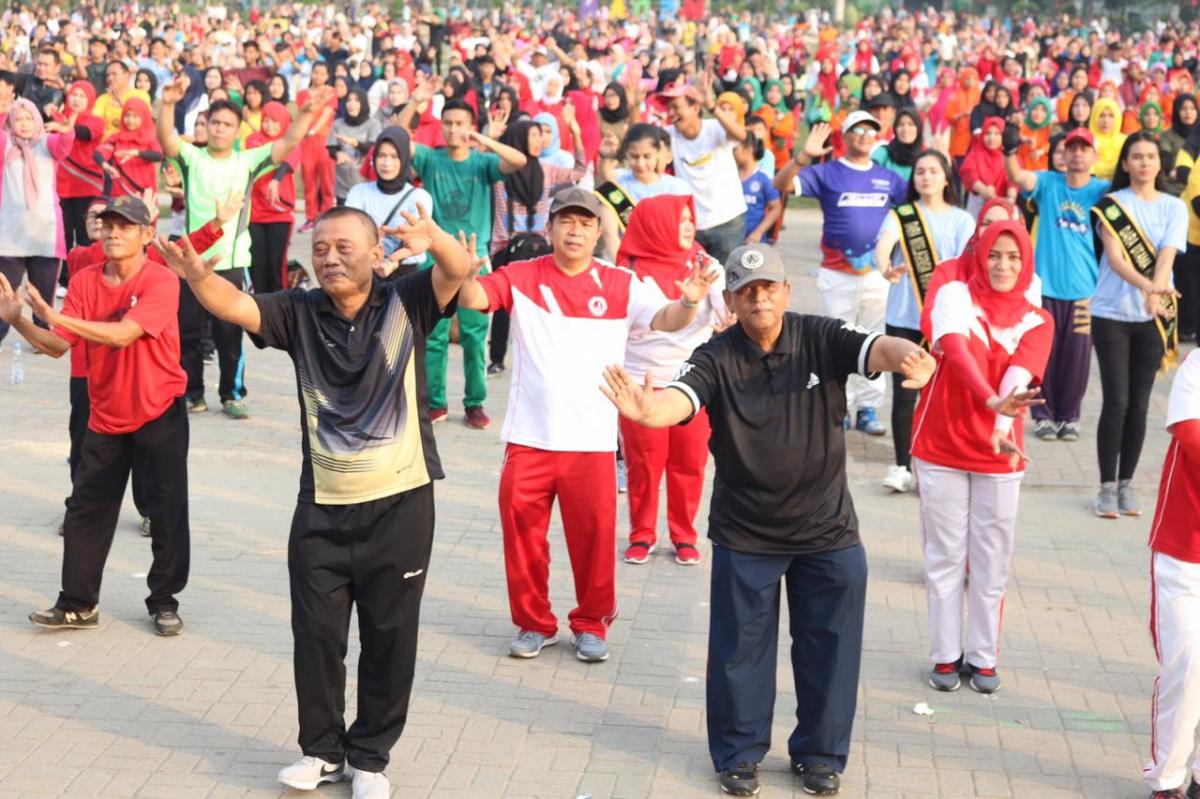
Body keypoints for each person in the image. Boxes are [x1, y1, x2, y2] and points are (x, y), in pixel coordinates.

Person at [151, 203, 471, 799]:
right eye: (320, 248)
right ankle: (321, 752)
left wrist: (436, 239)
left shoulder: (406, 302)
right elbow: (236, 304)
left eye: (345, 247)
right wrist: (195, 274)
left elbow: (458, 270)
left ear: (377, 255)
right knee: (317, 635)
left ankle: (370, 758)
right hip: (322, 508)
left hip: (401, 504)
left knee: (389, 634)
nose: (329, 257)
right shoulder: (298, 312)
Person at [599, 242, 935, 798]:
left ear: (786, 291)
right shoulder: (715, 355)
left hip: (827, 530)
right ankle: (737, 754)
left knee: (831, 645)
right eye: (747, 290)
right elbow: (678, 401)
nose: (759, 299)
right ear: (729, 299)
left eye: (768, 288)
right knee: (739, 652)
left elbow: (878, 348)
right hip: (747, 532)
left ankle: (821, 755)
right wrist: (645, 412)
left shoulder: (819, 336)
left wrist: (910, 356)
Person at [451, 187, 717, 664]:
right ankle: (534, 624)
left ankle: (592, 624)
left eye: (586, 223)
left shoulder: (620, 283)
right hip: (529, 438)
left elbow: (666, 319)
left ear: (599, 231)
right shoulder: (521, 275)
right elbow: (474, 298)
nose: (575, 230)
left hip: (592, 442)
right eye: (565, 221)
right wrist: (462, 273)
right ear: (549, 228)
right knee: (523, 538)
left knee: (593, 542)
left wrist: (691, 301)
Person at [0, 195, 190, 637]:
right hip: (106, 414)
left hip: (159, 408)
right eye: (107, 225)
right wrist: (23, 321)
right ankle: (78, 603)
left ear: (147, 235)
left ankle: (164, 601)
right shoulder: (85, 281)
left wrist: (55, 317)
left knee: (166, 511)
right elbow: (58, 345)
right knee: (86, 509)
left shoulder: (162, 281)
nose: (113, 233)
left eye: (125, 226)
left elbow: (124, 335)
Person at [912, 220, 1053, 695]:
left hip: (1000, 452)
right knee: (945, 555)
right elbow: (954, 350)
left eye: (1013, 257)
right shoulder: (955, 294)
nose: (1003, 265)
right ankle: (946, 656)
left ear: (1026, 263)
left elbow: (1020, 375)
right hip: (941, 444)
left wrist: (998, 422)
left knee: (991, 561)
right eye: (995, 254)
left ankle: (984, 657)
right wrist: (990, 401)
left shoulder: (1039, 320)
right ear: (979, 254)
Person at [157, 80, 335, 419]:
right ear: (206, 126)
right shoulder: (192, 158)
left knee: (229, 334)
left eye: (227, 125)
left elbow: (288, 142)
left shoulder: (247, 161)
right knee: (188, 332)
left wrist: (307, 112)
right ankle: (191, 392)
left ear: (237, 130)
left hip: (232, 261)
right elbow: (167, 140)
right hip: (189, 261)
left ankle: (232, 394)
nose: (220, 130)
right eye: (215, 123)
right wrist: (167, 105)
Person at [773, 112, 907, 436]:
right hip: (836, 274)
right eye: (856, 130)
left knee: (874, 338)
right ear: (844, 137)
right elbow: (779, 185)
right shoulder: (827, 172)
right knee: (837, 339)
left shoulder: (888, 179)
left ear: (877, 137)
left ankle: (868, 408)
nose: (863, 135)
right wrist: (804, 156)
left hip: (877, 276)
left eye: (870, 131)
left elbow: (910, 215)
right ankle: (839, 406)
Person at [400, 93, 529, 430]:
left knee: (474, 337)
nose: (454, 130)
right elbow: (399, 137)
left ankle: (475, 403)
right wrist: (415, 102)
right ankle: (436, 403)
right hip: (436, 258)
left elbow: (519, 160)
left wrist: (484, 140)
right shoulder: (431, 160)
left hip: (476, 259)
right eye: (448, 123)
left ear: (470, 127)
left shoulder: (482, 163)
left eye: (460, 124)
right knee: (435, 334)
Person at [615, 194, 728, 566]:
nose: (687, 226)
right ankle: (641, 534)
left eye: (689, 219)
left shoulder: (706, 266)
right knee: (643, 463)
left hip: (692, 383)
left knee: (689, 462)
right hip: (639, 385)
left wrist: (729, 321)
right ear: (654, 223)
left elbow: (727, 314)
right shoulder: (625, 269)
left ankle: (684, 535)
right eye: (677, 219)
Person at [1090, 132, 1189, 518]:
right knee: (1116, 401)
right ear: (1126, 163)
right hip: (1111, 314)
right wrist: (1150, 287)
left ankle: (1127, 483)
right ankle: (1105, 486)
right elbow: (1115, 259)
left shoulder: (1174, 207)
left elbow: (1166, 255)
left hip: (1155, 315)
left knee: (1140, 404)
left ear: (1160, 164)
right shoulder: (1111, 206)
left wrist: (1156, 290)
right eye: (1137, 156)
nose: (1145, 163)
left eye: (1151, 156)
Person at [873, 150, 974, 493]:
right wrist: (885, 266)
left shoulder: (963, 220)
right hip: (903, 317)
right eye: (920, 171)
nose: (926, 177)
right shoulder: (902, 215)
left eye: (933, 171)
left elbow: (966, 266)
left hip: (944, 320)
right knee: (904, 394)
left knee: (943, 394)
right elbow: (884, 245)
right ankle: (902, 465)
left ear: (947, 177)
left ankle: (936, 462)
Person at [1004, 126, 1109, 441]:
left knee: (1077, 358)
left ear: (1094, 155)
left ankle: (1069, 416)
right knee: (1043, 356)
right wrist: (1010, 151)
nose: (1077, 153)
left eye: (1083, 148)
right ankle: (1043, 415)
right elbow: (1020, 178)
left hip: (1084, 292)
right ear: (1062, 152)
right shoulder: (1049, 183)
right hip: (1044, 289)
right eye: (1072, 147)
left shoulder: (1103, 190)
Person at [1141, 349, 1200, 799]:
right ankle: (1167, 779)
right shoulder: (1197, 366)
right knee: (1186, 667)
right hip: (1185, 546)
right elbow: (1189, 432)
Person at [486, 116, 586, 375]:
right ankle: (498, 357)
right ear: (518, 139)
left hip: (536, 249)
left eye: (541, 135)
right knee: (503, 306)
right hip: (506, 249)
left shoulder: (547, 169)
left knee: (539, 308)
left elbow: (579, 171)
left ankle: (525, 358)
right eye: (532, 136)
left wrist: (575, 133)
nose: (540, 140)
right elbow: (476, 165)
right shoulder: (498, 172)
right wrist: (490, 136)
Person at [0, 98, 75, 346]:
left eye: (28, 118)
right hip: (10, 234)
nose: (23, 124)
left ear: (37, 121)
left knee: (42, 295)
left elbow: (64, 145)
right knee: (4, 293)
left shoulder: (47, 142)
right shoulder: (5, 143)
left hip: (44, 233)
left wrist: (67, 129)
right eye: (18, 119)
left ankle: (43, 339)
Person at [661, 83, 748, 264]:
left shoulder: (715, 127)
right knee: (696, 282)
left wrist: (712, 106)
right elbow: (640, 140)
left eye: (676, 107)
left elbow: (741, 136)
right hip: (693, 224)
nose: (671, 113)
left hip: (728, 221)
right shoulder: (669, 135)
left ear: (695, 107)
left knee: (726, 283)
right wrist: (635, 107)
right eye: (668, 109)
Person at [346, 126, 433, 279]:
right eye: (381, 155)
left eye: (394, 156)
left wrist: (393, 263)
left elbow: (415, 239)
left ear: (405, 158)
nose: (386, 163)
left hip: (406, 275)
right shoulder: (359, 192)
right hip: (366, 272)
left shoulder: (420, 197)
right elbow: (350, 231)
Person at [247, 102, 300, 296]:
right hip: (255, 214)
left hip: (279, 214)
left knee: (275, 263)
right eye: (266, 120)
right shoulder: (252, 140)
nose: (269, 125)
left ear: (284, 122)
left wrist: (276, 180)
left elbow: (287, 163)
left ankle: (280, 306)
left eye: (275, 121)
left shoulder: (289, 141)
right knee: (257, 263)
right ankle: (260, 307)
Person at [57, 80, 106, 253]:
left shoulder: (96, 122)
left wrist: (63, 125)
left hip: (87, 186)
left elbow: (84, 133)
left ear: (90, 100)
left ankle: (87, 274)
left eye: (82, 96)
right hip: (61, 187)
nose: (77, 100)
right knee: (63, 235)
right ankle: (65, 277)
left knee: (86, 235)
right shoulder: (58, 118)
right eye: (74, 95)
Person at [297, 62, 339, 234]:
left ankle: (327, 216)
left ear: (327, 76)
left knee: (327, 180)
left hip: (324, 140)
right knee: (309, 180)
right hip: (306, 141)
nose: (318, 76)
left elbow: (328, 113)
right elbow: (302, 114)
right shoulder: (302, 94)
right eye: (315, 72)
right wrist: (307, 131)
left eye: (322, 73)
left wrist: (314, 130)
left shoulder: (331, 93)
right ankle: (311, 217)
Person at [96, 97, 162, 197]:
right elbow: (98, 154)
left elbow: (158, 155)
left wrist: (137, 153)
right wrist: (106, 166)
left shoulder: (149, 138)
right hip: (119, 194)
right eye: (127, 115)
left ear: (144, 117)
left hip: (143, 194)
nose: (130, 120)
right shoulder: (116, 138)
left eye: (135, 116)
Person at [328, 87, 380, 206]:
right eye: (349, 100)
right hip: (343, 183)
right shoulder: (338, 124)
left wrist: (354, 143)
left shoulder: (373, 124)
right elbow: (331, 148)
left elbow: (373, 149)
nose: (352, 104)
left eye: (356, 101)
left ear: (363, 103)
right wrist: (338, 154)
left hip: (365, 183)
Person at [960, 117, 1015, 217]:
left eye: (997, 134)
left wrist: (1011, 197)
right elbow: (969, 172)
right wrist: (983, 189)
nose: (991, 138)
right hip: (978, 202)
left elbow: (1013, 179)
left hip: (1004, 202)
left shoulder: (1008, 156)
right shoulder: (975, 153)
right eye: (988, 133)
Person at [734, 131, 781, 244]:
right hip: (730, 239)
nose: (732, 153)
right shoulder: (730, 177)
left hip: (752, 242)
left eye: (735, 149)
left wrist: (758, 232)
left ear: (748, 150)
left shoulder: (763, 179)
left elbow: (776, 207)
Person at [92, 61, 151, 137]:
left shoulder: (141, 95)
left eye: (114, 74)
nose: (110, 78)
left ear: (127, 76)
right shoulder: (103, 98)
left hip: (132, 142)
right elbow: (96, 123)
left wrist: (123, 105)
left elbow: (143, 122)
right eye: (108, 75)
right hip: (107, 142)